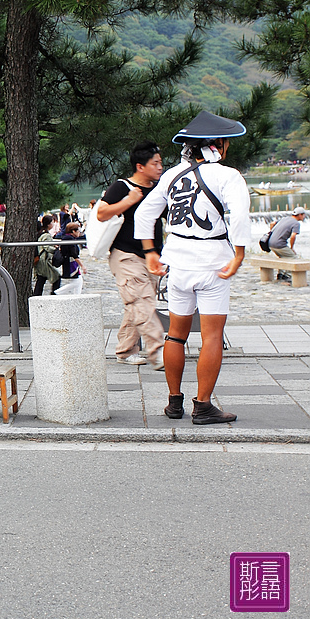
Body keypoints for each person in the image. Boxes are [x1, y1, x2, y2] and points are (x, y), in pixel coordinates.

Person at [135, 111, 251, 425]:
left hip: (178, 264)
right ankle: (203, 406)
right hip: (214, 264)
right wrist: (238, 254)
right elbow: (239, 217)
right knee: (211, 337)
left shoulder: (171, 175)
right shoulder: (228, 176)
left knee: (175, 336)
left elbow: (144, 214)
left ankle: (174, 403)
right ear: (219, 145)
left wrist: (150, 252)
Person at [97, 141, 166, 368]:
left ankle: (125, 351)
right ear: (140, 166)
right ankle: (159, 353)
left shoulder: (158, 190)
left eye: (161, 163)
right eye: (155, 163)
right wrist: (129, 200)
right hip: (125, 255)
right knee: (142, 301)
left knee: (137, 303)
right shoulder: (122, 186)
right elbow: (102, 213)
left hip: (151, 256)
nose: (160, 167)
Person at [267, 206, 305, 282]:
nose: (304, 216)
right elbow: (293, 236)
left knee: (283, 257)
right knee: (293, 258)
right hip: (279, 245)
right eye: (303, 214)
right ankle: (286, 276)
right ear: (300, 215)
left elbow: (272, 223)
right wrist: (292, 247)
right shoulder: (296, 223)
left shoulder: (284, 219)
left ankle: (280, 274)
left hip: (270, 243)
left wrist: (272, 232)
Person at [53, 221, 85, 295]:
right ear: (73, 231)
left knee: (79, 280)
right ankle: (57, 292)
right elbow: (74, 254)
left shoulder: (67, 238)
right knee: (77, 281)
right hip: (70, 263)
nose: (79, 233)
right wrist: (82, 265)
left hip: (70, 262)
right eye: (78, 231)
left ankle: (77, 296)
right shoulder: (69, 239)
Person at [33, 214, 60, 296]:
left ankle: (36, 296)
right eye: (52, 222)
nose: (53, 224)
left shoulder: (41, 233)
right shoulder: (46, 235)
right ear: (48, 224)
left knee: (41, 279)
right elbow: (47, 247)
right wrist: (55, 250)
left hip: (40, 260)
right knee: (56, 277)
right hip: (44, 261)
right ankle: (54, 294)